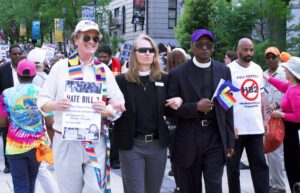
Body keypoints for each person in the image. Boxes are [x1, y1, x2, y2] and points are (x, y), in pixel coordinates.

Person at [37, 20, 125, 193]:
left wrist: (108, 110)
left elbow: (118, 103)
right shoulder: (60, 68)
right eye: (87, 37)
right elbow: (42, 101)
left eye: (95, 38)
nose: (91, 41)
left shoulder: (103, 70)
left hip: (95, 140)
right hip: (67, 141)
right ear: (76, 39)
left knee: (94, 189)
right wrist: (56, 104)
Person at [167, 29, 234, 193]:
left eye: (208, 44)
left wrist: (230, 140)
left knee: (214, 186)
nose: (204, 48)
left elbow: (228, 107)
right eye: (200, 44)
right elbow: (169, 111)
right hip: (188, 138)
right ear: (192, 47)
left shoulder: (224, 70)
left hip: (215, 137)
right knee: (190, 188)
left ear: (212, 48)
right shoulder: (177, 74)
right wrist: (195, 107)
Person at [113, 34, 182, 193]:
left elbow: (169, 109)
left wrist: (179, 100)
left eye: (151, 50)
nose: (147, 53)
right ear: (134, 53)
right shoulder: (122, 81)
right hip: (132, 145)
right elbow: (112, 110)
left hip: (158, 146)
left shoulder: (164, 79)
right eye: (142, 50)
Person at [227, 38, 269, 193]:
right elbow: (224, 99)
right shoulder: (229, 69)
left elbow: (261, 97)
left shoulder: (257, 69)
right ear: (238, 50)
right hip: (236, 130)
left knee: (260, 166)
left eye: (251, 50)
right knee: (233, 168)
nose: (248, 53)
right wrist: (229, 125)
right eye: (245, 50)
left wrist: (264, 119)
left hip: (255, 128)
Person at [0, 59, 46, 193]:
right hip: (37, 145)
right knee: (31, 182)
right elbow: (49, 121)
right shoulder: (42, 92)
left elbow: (2, 122)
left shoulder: (6, 94)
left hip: (15, 147)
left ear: (17, 74)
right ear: (34, 75)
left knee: (20, 185)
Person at [263, 56, 300, 192]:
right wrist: (265, 77)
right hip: (290, 133)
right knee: (291, 164)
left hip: (292, 132)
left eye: (286, 70)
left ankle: (296, 187)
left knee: (293, 164)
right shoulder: (291, 85)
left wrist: (281, 114)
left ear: (292, 73)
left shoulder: (296, 91)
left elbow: (298, 117)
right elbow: (281, 85)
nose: (284, 71)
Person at [27, 48, 60, 193]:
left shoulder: (30, 79)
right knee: (39, 168)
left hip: (31, 129)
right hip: (41, 128)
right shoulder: (47, 79)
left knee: (39, 168)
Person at [264, 46, 286, 193]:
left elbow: (290, 94)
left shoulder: (284, 75)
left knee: (276, 153)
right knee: (267, 153)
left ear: (279, 58)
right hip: (264, 119)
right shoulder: (262, 74)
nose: (271, 60)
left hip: (279, 118)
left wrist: (276, 105)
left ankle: (279, 186)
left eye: (274, 57)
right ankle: (272, 182)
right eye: (268, 57)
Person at [166, 48, 188, 193]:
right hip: (187, 121)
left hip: (171, 123)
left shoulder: (167, 77)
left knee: (174, 155)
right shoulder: (188, 77)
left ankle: (179, 186)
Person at [97, 45, 122, 169]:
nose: (102, 59)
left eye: (104, 57)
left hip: (113, 101)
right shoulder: (95, 66)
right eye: (100, 56)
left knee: (114, 133)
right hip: (99, 102)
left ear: (110, 57)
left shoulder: (119, 65)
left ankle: (114, 158)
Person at [0, 44, 24, 173]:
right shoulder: (3, 70)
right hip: (7, 108)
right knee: (7, 135)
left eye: (19, 53)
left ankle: (23, 160)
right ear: (10, 55)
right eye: (15, 54)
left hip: (24, 108)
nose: (17, 56)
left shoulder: (26, 68)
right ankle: (8, 164)